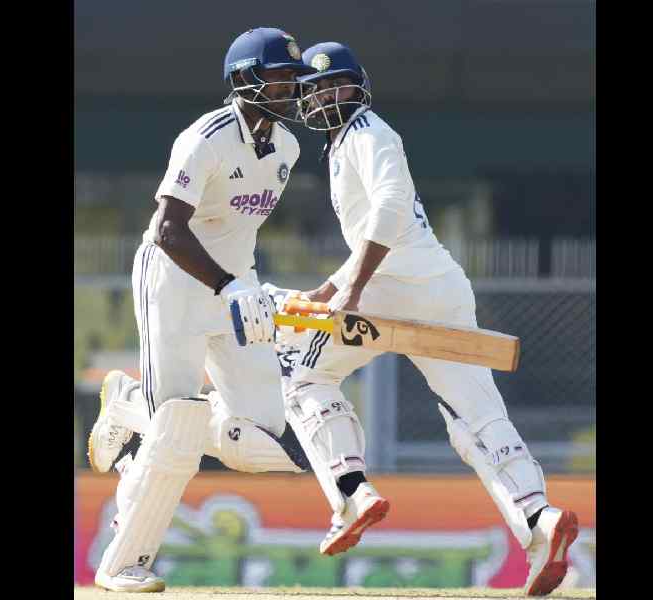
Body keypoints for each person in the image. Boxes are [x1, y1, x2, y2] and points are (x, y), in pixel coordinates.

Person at [243, 42, 579, 597]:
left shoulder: (370, 132)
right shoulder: (348, 142)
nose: (326, 96)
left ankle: (351, 491)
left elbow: (391, 210)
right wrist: (335, 283)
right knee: (474, 417)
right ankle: (539, 521)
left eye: (336, 85)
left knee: (300, 375)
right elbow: (379, 229)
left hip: (387, 288)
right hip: (440, 287)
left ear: (358, 88)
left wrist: (354, 288)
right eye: (317, 89)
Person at [87, 27, 317, 593]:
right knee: (177, 431)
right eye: (278, 78)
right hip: (174, 281)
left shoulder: (287, 148)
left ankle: (129, 406)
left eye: (293, 79)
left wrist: (251, 287)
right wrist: (228, 285)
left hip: (236, 285)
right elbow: (169, 230)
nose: (289, 89)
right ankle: (121, 565)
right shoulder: (205, 138)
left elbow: (236, 231)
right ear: (244, 80)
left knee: (267, 439)